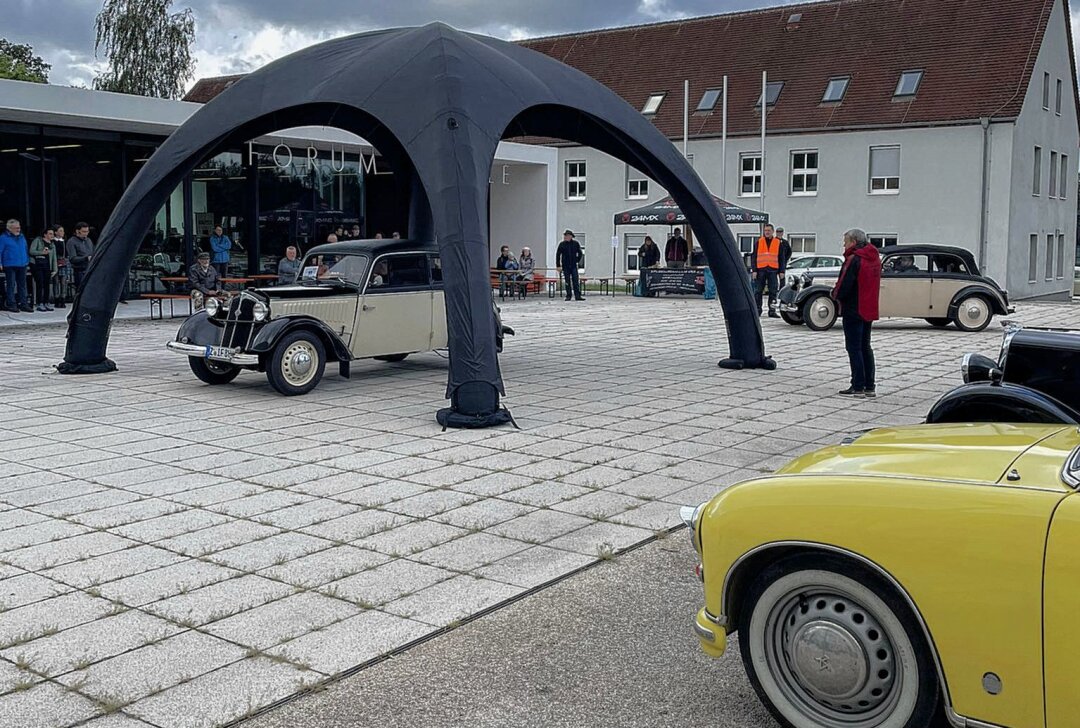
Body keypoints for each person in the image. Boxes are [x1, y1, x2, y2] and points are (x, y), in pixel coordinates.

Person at [832, 228, 882, 398]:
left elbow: (844, 283)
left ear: (853, 242)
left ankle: (857, 385)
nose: (843, 245)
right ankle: (870, 386)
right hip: (868, 307)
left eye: (845, 241)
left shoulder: (854, 259)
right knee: (865, 346)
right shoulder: (874, 258)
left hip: (853, 308)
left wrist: (834, 295)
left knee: (854, 348)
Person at [751, 223, 782, 318]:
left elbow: (781, 258)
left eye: (769, 230)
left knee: (773, 291)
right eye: (765, 231)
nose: (767, 232)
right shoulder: (759, 242)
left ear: (772, 231)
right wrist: (754, 270)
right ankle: (757, 310)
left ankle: (772, 310)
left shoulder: (778, 243)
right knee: (758, 291)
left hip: (773, 270)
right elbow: (754, 257)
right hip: (761, 270)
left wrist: (782, 271)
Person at [0, 219, 31, 312]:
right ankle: (11, 303)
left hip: (22, 264)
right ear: (9, 228)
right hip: (10, 264)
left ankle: (23, 303)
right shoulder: (3, 238)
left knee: (22, 285)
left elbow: (25, 248)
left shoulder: (21, 236)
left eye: (19, 227)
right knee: (11, 285)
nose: (18, 229)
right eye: (16, 228)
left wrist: (27, 260)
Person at [29, 225, 57, 311]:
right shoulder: (38, 240)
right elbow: (31, 251)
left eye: (53, 234)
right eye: (50, 234)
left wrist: (55, 269)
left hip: (47, 266)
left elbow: (54, 258)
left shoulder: (52, 245)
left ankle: (46, 302)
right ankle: (39, 303)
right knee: (40, 283)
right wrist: (42, 252)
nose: (52, 235)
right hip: (38, 266)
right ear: (45, 234)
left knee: (47, 284)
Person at [555, 229, 584, 301]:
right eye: (565, 236)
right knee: (567, 281)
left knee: (575, 280)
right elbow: (558, 255)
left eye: (567, 236)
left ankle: (578, 296)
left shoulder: (575, 243)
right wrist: (558, 265)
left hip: (573, 265)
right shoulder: (562, 244)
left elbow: (580, 253)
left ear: (571, 236)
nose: (565, 237)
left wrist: (577, 260)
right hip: (565, 265)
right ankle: (568, 295)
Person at [66, 222, 94, 291]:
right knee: (81, 291)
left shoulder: (88, 240)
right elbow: (72, 258)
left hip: (90, 269)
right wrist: (86, 258)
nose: (86, 233)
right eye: (83, 231)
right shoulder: (71, 241)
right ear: (77, 231)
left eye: (87, 231)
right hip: (80, 271)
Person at [53, 225, 68, 308]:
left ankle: (63, 298)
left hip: (63, 262)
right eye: (60, 231)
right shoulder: (53, 242)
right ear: (56, 232)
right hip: (56, 262)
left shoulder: (64, 241)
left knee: (63, 282)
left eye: (63, 231)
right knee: (56, 282)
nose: (62, 232)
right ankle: (56, 299)